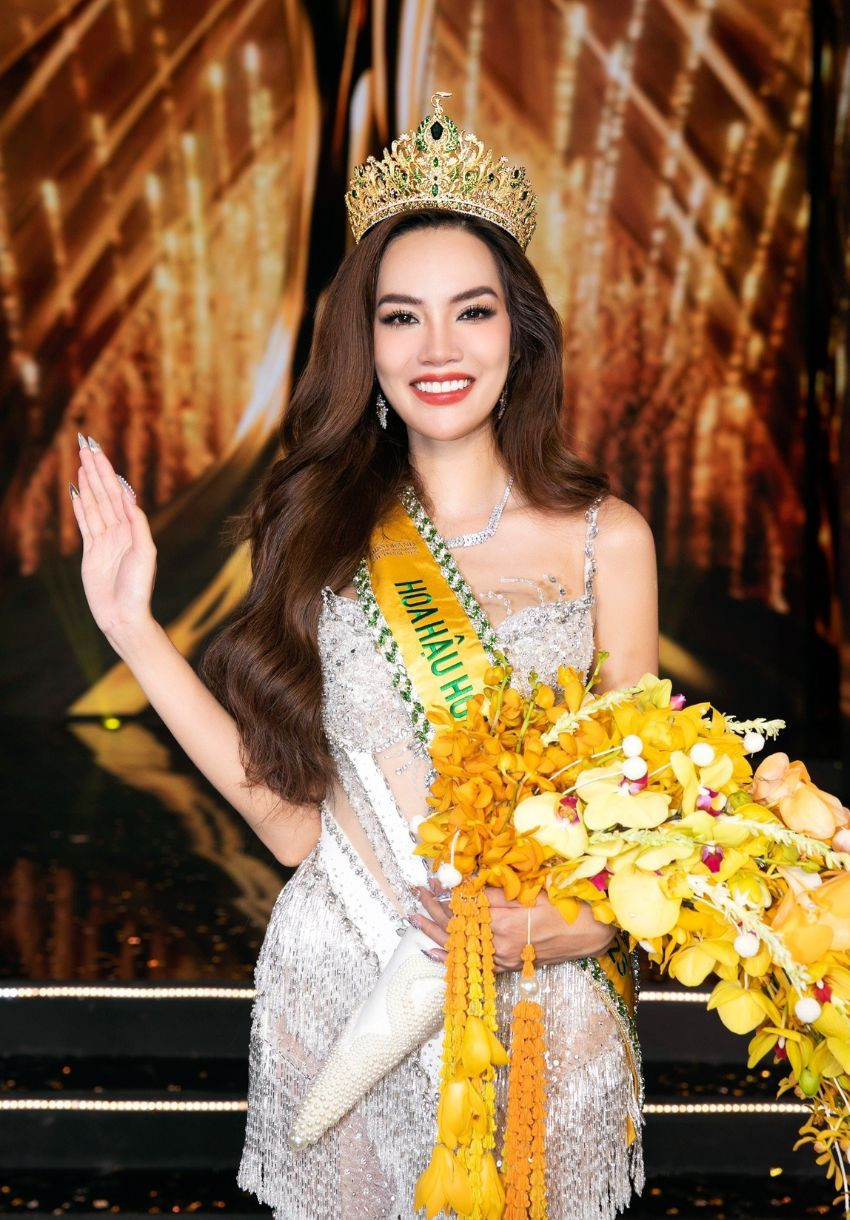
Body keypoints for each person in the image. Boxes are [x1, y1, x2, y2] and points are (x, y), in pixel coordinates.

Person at [71, 96, 657, 1220]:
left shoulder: (607, 541)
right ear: (367, 343)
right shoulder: (318, 530)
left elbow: (639, 829)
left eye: (471, 311)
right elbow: (296, 826)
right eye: (401, 317)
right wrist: (131, 628)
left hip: (536, 1003)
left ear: (519, 333)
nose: (438, 349)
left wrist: (565, 927)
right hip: (336, 987)